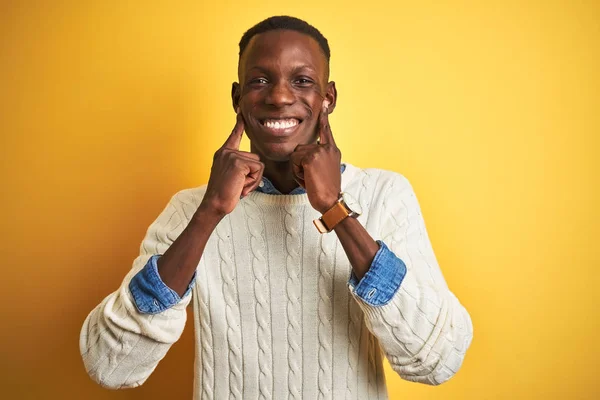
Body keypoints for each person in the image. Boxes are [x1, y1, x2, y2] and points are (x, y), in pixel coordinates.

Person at [80, 15, 473, 400]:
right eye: (260, 80)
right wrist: (208, 213)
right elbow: (110, 366)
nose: (280, 97)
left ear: (328, 98)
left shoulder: (383, 195)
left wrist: (334, 208)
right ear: (237, 98)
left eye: (302, 81)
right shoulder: (190, 210)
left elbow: (436, 360)